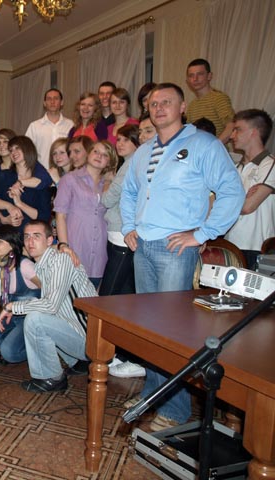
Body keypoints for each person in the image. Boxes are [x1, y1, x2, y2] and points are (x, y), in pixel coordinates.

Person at [120, 82, 244, 431]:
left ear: (183, 107)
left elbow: (232, 191)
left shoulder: (203, 144)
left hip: (175, 249)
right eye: (153, 103)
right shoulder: (144, 151)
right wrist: (129, 226)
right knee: (149, 330)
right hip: (143, 247)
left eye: (167, 102)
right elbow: (129, 192)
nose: (158, 108)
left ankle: (174, 410)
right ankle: (152, 395)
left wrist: (203, 234)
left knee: (171, 332)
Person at [0, 220, 96, 393]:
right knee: (41, 312)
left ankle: (51, 378)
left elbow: (51, 305)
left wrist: (12, 307)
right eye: (27, 237)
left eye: (36, 236)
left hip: (92, 342)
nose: (30, 242)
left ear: (49, 240)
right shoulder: (42, 263)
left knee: (36, 319)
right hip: (81, 336)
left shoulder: (60, 260)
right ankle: (79, 362)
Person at [99, 124, 146, 379]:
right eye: (118, 139)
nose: (120, 143)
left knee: (108, 298)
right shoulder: (129, 164)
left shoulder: (130, 165)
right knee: (125, 298)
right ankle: (125, 354)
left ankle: (104, 353)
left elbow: (107, 200)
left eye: (126, 139)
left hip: (122, 237)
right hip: (119, 235)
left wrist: (107, 182)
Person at [55, 140, 117, 288]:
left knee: (92, 295)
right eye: (96, 151)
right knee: (70, 296)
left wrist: (109, 181)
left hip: (100, 249)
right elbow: (60, 215)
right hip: (75, 244)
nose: (99, 156)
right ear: (88, 154)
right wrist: (64, 245)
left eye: (105, 155)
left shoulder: (108, 185)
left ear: (109, 162)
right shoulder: (70, 179)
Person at [0, 225, 40, 364]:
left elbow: (49, 292)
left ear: (11, 245)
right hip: (9, 316)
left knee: (9, 353)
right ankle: (13, 343)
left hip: (31, 318)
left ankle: (40, 347)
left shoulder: (25, 265)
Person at [225, 109, 275, 270]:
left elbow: (248, 207)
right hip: (230, 244)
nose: (232, 135)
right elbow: (214, 204)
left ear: (254, 132)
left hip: (258, 247)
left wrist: (230, 201)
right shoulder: (235, 168)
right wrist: (243, 198)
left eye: (238, 129)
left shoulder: (270, 164)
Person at [0, 128, 49, 226]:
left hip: (33, 227)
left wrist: (20, 183)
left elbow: (45, 179)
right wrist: (4, 217)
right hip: (7, 227)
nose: (2, 146)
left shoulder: (35, 170)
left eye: (5, 142)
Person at [185, 58, 235, 143]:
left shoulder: (219, 98)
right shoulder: (192, 105)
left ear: (209, 76)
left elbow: (232, 125)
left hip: (215, 150)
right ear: (188, 80)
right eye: (191, 75)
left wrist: (214, 146)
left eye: (200, 74)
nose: (195, 79)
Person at [25, 88, 74, 167]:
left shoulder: (70, 125)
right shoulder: (34, 126)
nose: (52, 102)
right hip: (42, 171)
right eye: (49, 99)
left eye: (56, 98)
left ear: (61, 102)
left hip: (65, 171)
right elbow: (27, 151)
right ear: (44, 103)